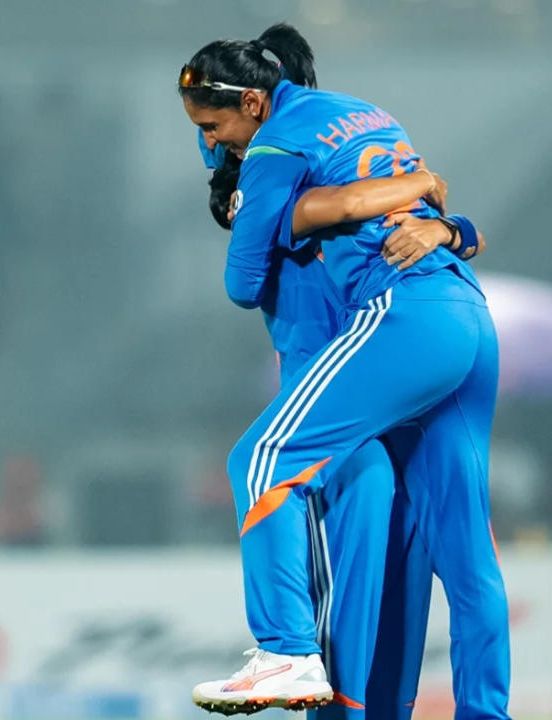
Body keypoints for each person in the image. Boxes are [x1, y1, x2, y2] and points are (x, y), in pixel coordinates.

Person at [178, 24, 509, 719]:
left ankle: (289, 654)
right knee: (458, 560)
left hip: (384, 356)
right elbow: (432, 214)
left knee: (271, 470)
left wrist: (260, 221)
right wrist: (435, 203)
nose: (213, 144)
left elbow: (244, 280)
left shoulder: (278, 180)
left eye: (215, 128)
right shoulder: (357, 131)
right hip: (459, 318)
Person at [201, 149, 474, 719]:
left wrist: (438, 216)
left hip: (341, 443)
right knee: (387, 618)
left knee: (349, 627)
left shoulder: (316, 221)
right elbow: (457, 231)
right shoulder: (332, 221)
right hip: (385, 436)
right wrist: (439, 213)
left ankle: (286, 651)